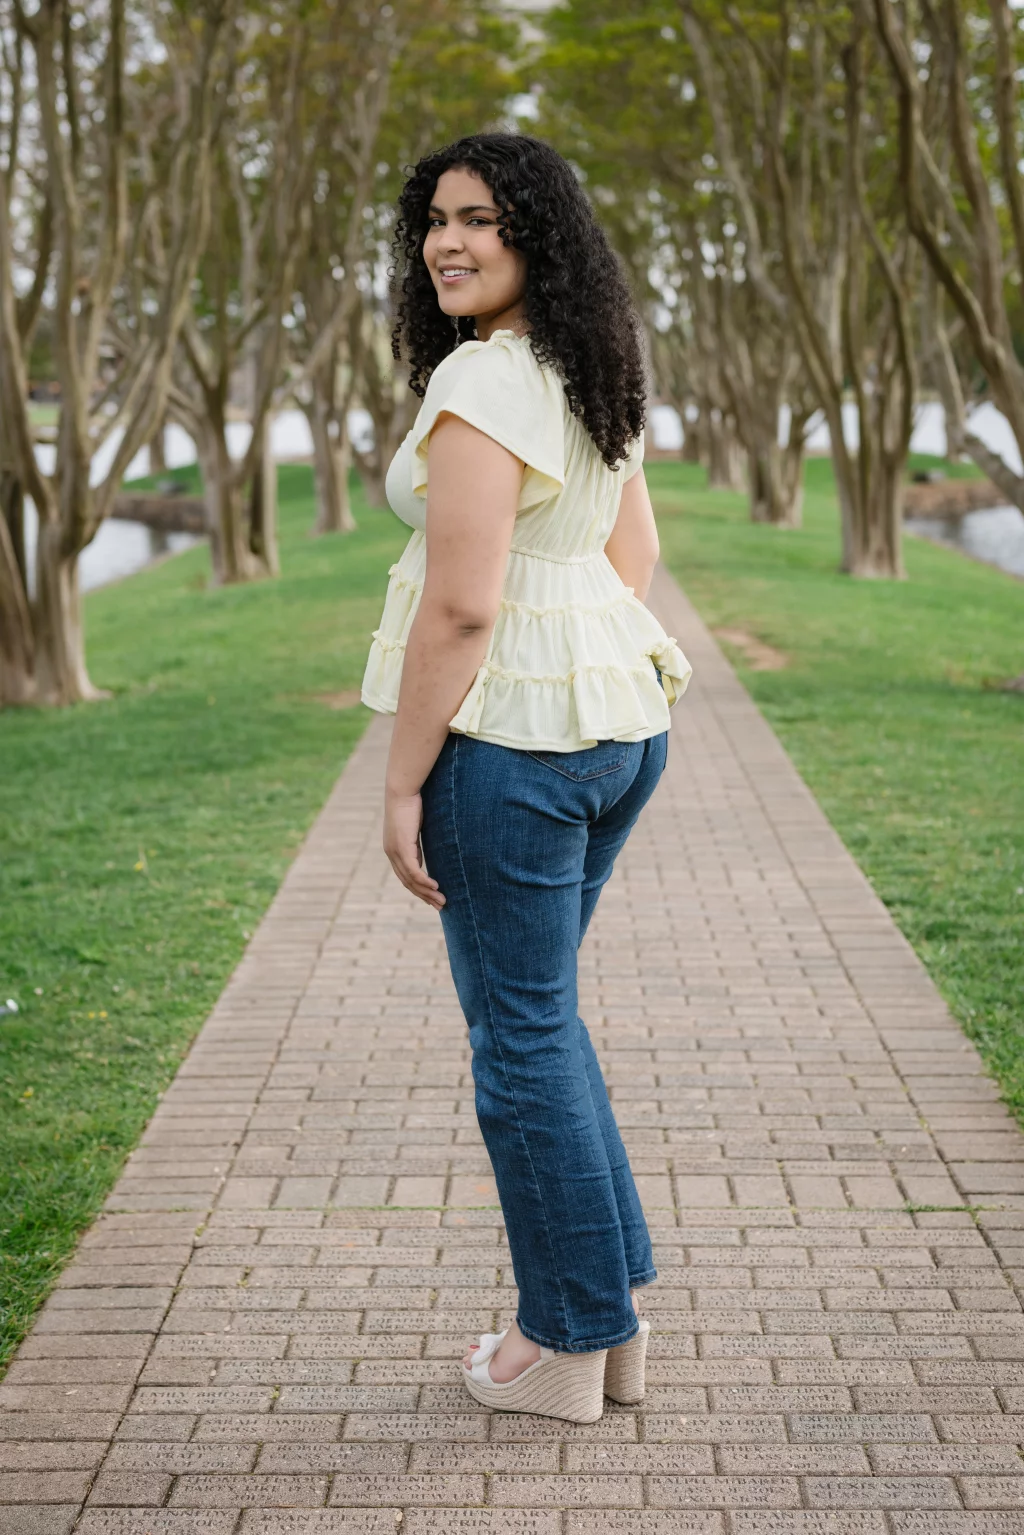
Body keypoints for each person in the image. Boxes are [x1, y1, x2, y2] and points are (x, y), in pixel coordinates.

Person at [361, 132, 691, 1423]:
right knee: (544, 1021)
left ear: (535, 237)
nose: (449, 241)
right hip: (617, 735)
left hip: (511, 756)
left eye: (483, 220)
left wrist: (401, 788)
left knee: (520, 1038)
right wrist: (588, 665)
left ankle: (562, 1344)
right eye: (435, 221)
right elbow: (635, 551)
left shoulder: (491, 385)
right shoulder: (583, 368)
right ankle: (606, 1325)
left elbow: (459, 609)